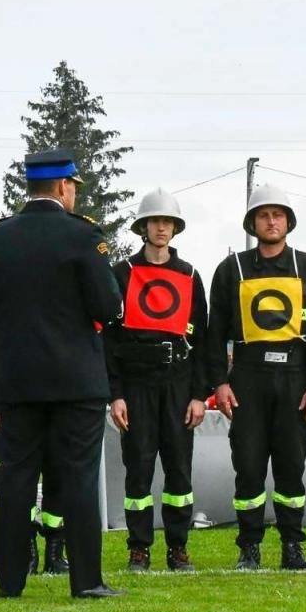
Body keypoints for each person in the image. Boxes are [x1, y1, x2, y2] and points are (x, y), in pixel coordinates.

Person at [0, 148, 126, 599]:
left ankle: (11, 581)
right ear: (63, 186)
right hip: (76, 379)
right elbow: (109, 307)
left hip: (18, 380)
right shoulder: (82, 237)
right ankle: (87, 580)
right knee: (77, 477)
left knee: (17, 478)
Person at [204, 184, 306, 571]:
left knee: (292, 464)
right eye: (264, 215)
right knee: (248, 465)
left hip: (295, 378)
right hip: (247, 376)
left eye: (278, 214)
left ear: (288, 222)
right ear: (253, 222)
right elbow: (215, 335)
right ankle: (249, 548)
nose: (271, 220)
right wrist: (220, 383)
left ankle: (292, 547)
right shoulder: (232, 270)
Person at [107, 187, 208, 573]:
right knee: (139, 468)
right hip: (135, 384)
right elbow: (109, 341)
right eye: (155, 222)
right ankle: (139, 548)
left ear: (175, 228)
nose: (162, 228)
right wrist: (116, 394)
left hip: (179, 384)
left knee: (180, 468)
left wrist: (199, 394)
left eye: (168, 222)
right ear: (143, 227)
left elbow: (204, 341)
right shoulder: (122, 274)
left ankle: (178, 547)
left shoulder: (190, 275)